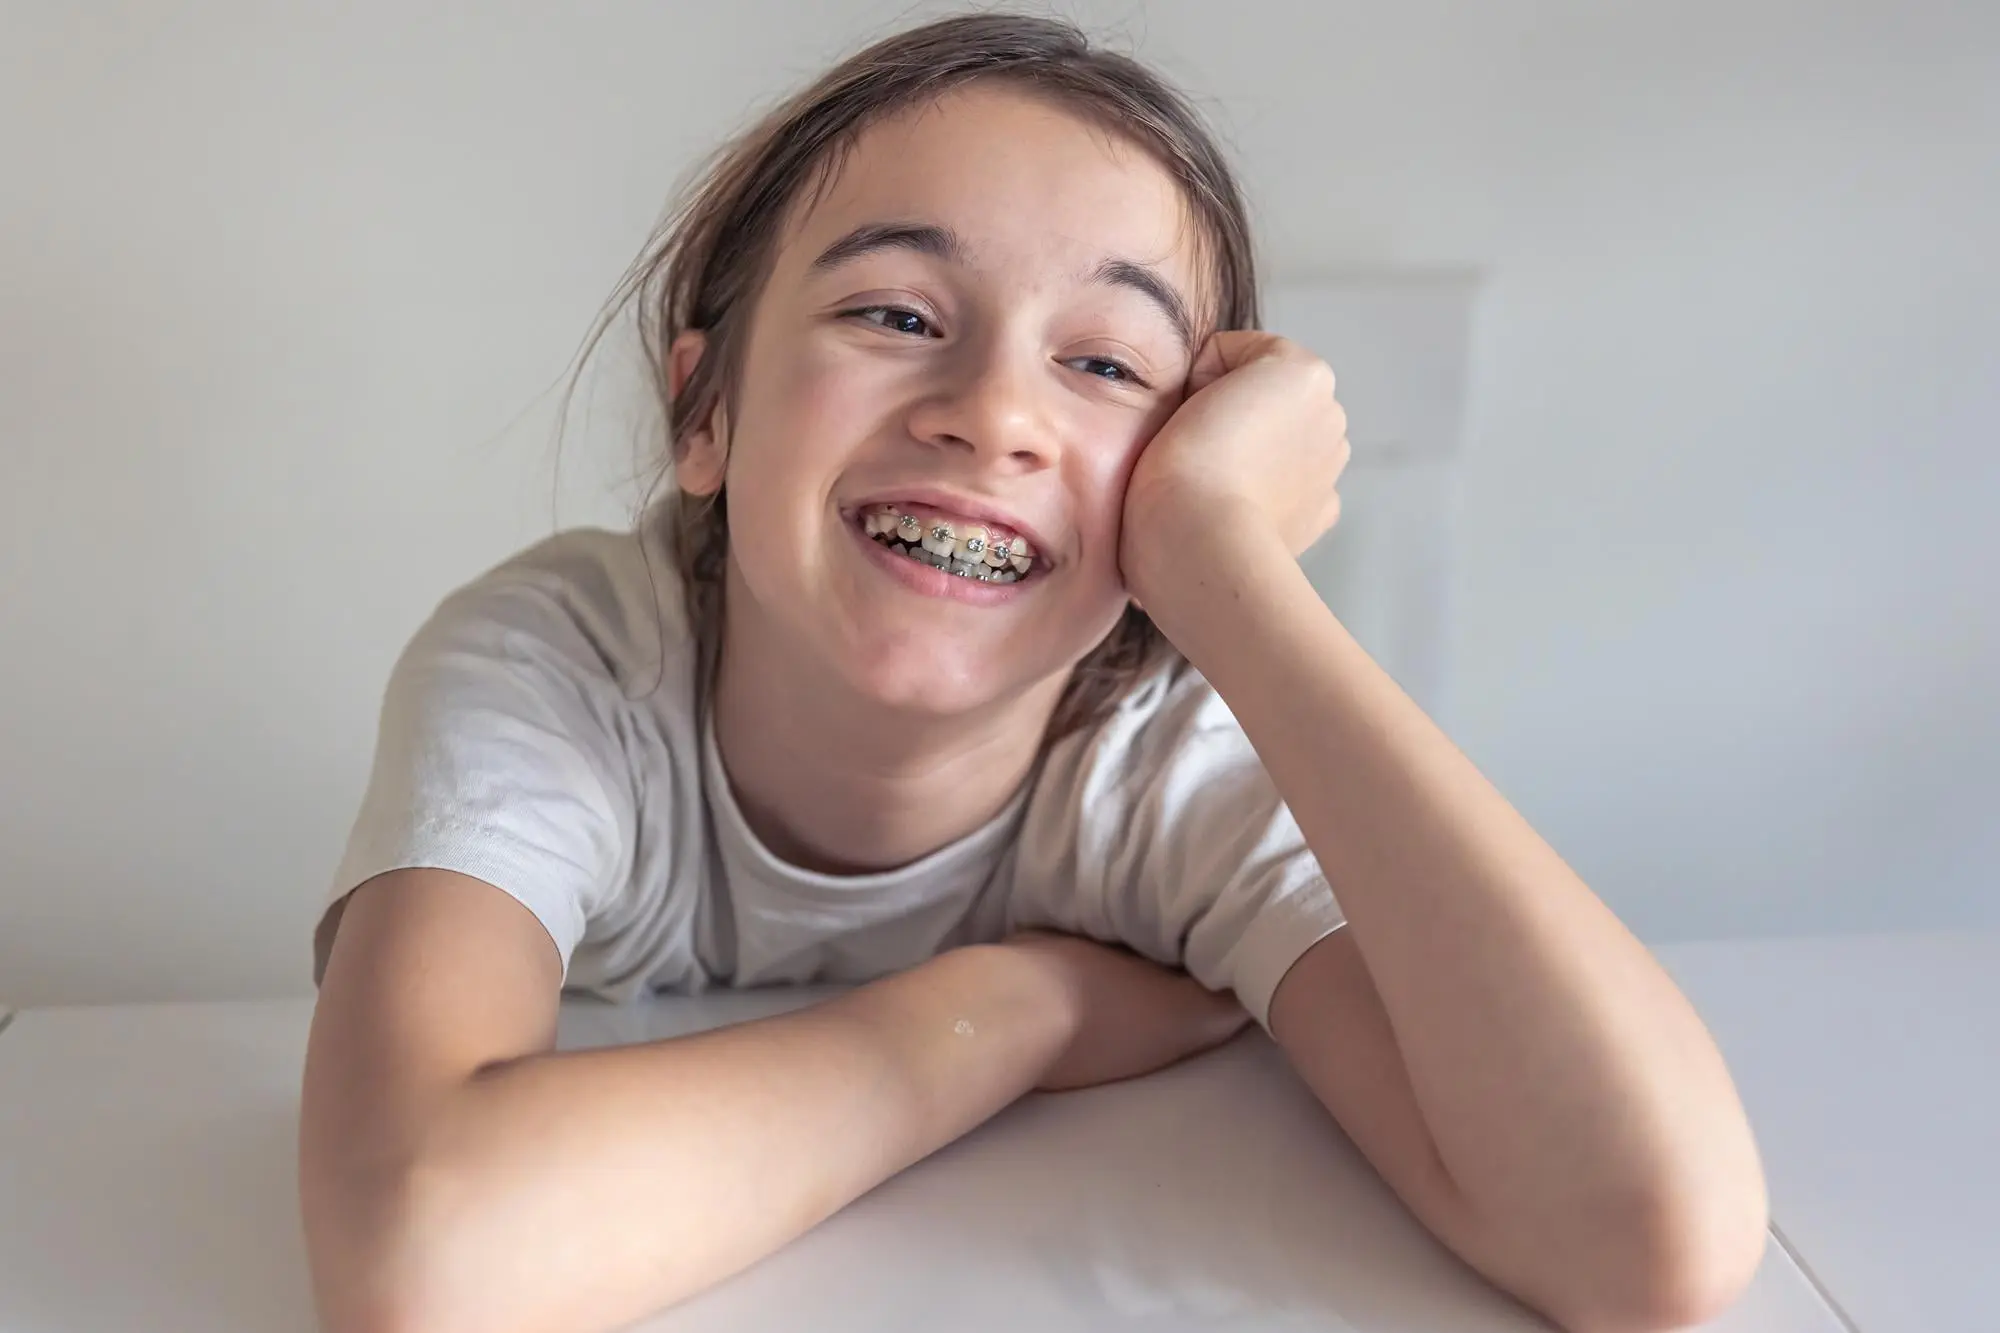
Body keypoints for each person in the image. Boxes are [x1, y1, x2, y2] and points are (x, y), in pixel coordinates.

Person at [298, 14, 1768, 1333]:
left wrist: (1238, 582)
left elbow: (1647, 1240)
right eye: (895, 315)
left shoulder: (1173, 770)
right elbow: (426, 1253)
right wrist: (1016, 1016)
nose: (991, 415)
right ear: (705, 408)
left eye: (1109, 366)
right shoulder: (560, 672)